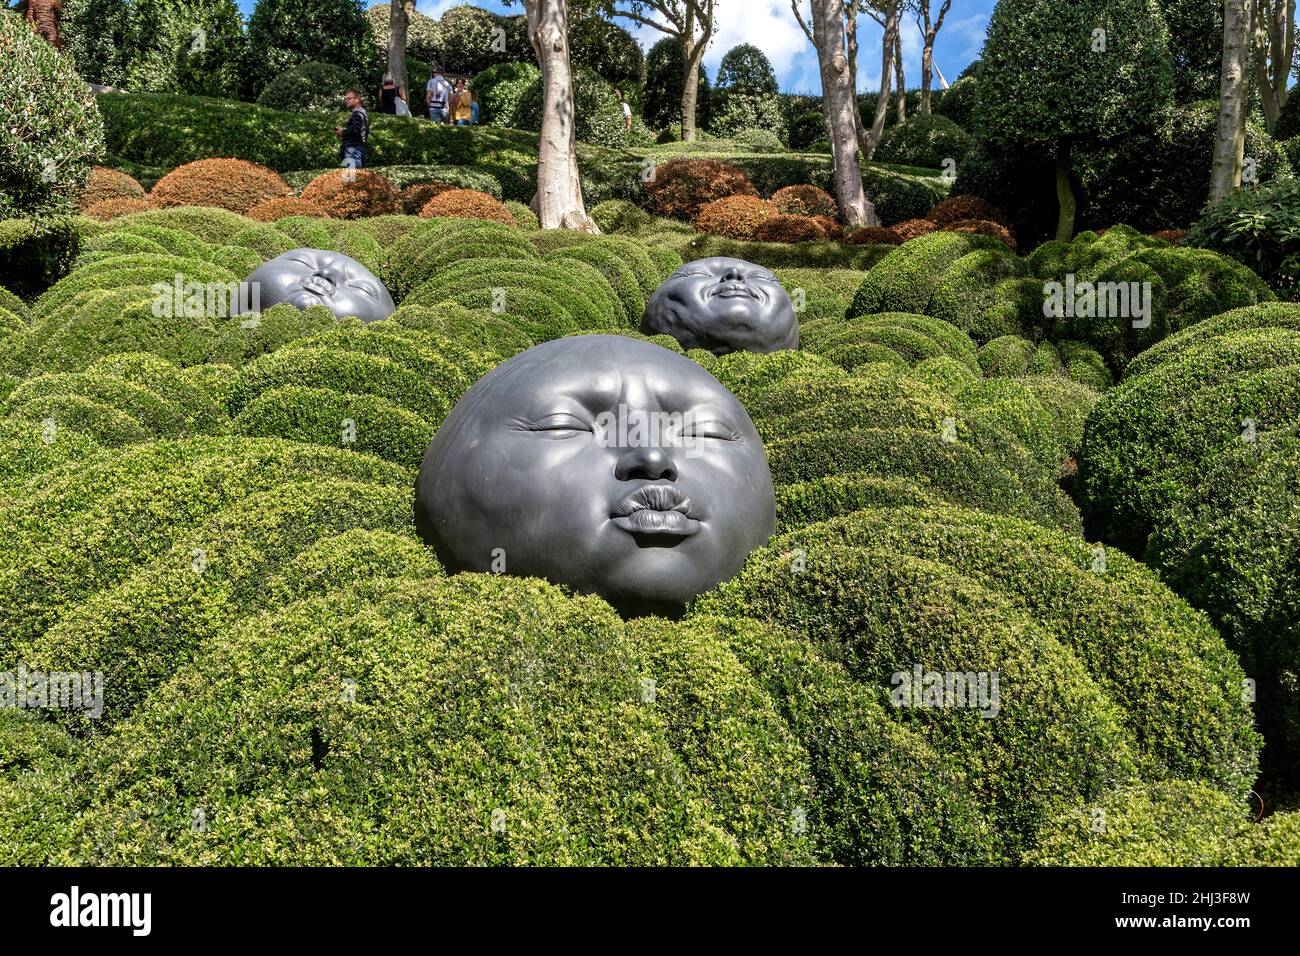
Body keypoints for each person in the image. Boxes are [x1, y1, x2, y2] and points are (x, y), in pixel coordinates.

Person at [335, 89, 369, 169]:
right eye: (346, 99)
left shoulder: (357, 113)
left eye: (349, 98)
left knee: (351, 179)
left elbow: (355, 130)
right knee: (354, 178)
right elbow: (358, 131)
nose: (346, 101)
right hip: (356, 149)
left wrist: (342, 132)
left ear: (357, 99)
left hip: (352, 150)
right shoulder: (362, 112)